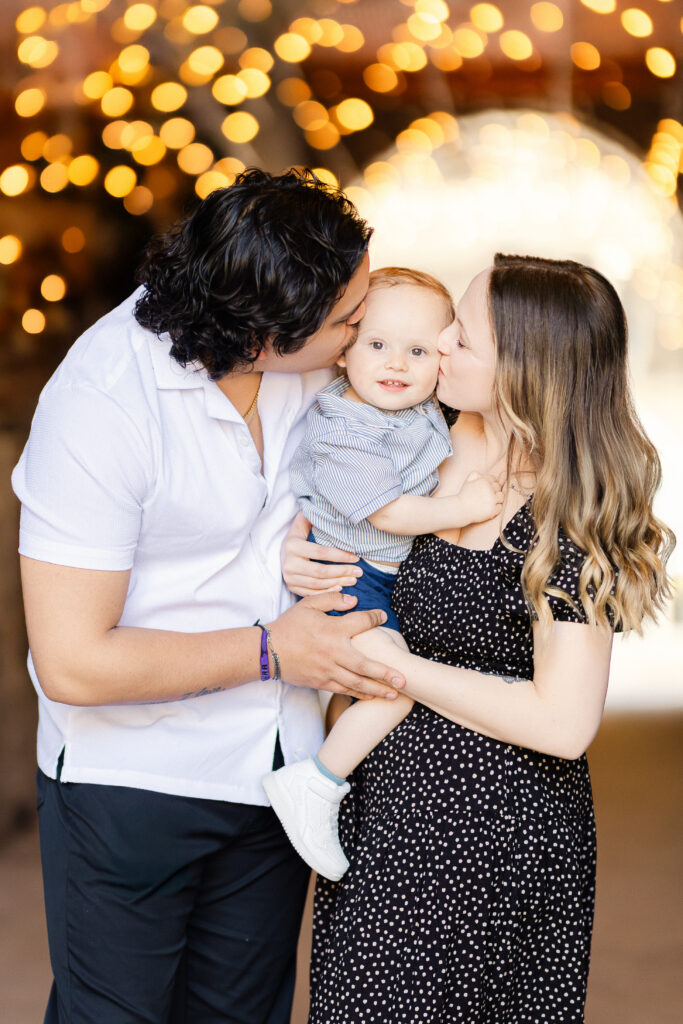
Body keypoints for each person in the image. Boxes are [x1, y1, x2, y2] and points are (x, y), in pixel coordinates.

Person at [11, 168, 411, 1024]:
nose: (360, 334)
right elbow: (73, 660)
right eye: (347, 322)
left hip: (277, 766)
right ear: (266, 334)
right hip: (130, 780)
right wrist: (273, 647)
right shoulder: (101, 402)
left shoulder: (318, 363)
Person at [284, 254, 674, 1022]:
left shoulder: (569, 511)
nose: (442, 338)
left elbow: (562, 725)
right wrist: (301, 559)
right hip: (384, 817)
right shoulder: (408, 436)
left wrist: (400, 671)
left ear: (523, 368)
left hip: (501, 836)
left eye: (463, 334)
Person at [263, 267, 503, 881]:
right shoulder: (344, 427)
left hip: (380, 575)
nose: (397, 364)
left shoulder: (426, 406)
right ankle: (315, 783)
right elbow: (387, 511)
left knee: (378, 682)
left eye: (418, 350)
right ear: (346, 351)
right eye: (377, 344)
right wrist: (462, 510)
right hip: (350, 576)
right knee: (390, 681)